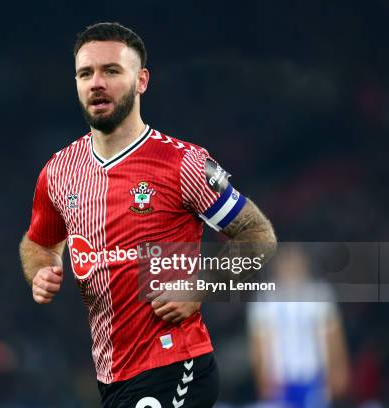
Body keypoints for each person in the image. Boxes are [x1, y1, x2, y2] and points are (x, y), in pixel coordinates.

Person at [19, 22, 276, 407]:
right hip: (112, 376)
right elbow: (38, 243)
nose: (96, 83)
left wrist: (202, 284)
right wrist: (40, 269)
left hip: (176, 363)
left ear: (141, 81)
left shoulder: (184, 163)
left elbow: (258, 236)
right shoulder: (58, 172)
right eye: (85, 73)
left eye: (111, 71)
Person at [248, 245, 349, 408]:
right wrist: (261, 377)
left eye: (294, 261)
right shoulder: (265, 297)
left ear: (304, 264)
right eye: (285, 262)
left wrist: (339, 368)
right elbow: (258, 341)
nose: (290, 267)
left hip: (314, 374)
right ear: (276, 266)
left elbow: (333, 335)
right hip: (279, 378)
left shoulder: (319, 293)